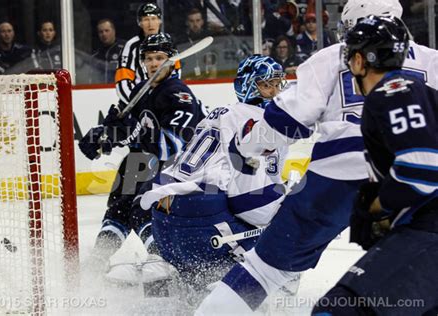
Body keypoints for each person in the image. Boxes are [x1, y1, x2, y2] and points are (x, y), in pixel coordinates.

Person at [196, 0, 438, 313]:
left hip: (336, 175)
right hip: (418, 183)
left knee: (264, 268)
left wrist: (249, 146)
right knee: (409, 275)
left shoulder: (333, 56)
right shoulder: (432, 60)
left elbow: (290, 119)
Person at [313, 15, 438, 316]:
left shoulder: (393, 91)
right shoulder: (424, 93)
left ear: (358, 60)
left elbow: (422, 168)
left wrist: (376, 207)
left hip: (429, 231)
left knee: (338, 310)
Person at [140, 55, 289, 288]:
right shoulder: (263, 123)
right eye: (266, 85)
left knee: (193, 284)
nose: (275, 91)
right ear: (248, 85)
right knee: (288, 231)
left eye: (278, 84)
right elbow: (250, 203)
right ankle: (259, 288)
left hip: (163, 220)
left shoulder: (220, 112)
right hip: (202, 222)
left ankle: (175, 281)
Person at [79, 32, 206, 271]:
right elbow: (126, 127)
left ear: (170, 61)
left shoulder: (178, 94)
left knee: (142, 210)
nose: (154, 63)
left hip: (172, 166)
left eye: (159, 58)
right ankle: (98, 259)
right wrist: (104, 135)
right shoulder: (141, 90)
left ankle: (163, 260)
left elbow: (173, 144)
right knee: (118, 210)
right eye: (149, 58)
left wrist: (131, 133)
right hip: (140, 161)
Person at [115, 2, 162, 107]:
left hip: (162, 102)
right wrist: (137, 105)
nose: (150, 24)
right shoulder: (131, 46)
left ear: (160, 21)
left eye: (154, 18)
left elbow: (175, 75)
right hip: (138, 104)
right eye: (146, 19)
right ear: (139, 23)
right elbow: (123, 82)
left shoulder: (169, 43)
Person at [91, 18, 125, 83]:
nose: (104, 34)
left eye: (107, 31)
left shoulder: (125, 48)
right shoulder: (96, 55)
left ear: (114, 31)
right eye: (101, 32)